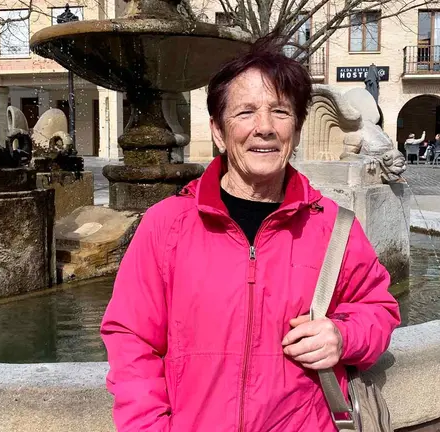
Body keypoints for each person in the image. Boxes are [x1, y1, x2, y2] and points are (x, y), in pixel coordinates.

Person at [100, 35, 401, 432]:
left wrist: (344, 336)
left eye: (280, 111)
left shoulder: (334, 226)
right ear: (219, 132)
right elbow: (132, 341)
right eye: (245, 112)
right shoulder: (165, 224)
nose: (264, 128)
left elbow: (379, 310)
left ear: (295, 127)